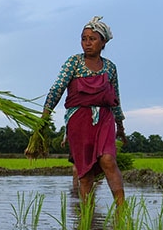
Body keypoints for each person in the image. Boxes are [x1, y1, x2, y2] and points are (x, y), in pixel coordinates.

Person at [42, 16, 126, 205]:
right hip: (79, 119)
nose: (87, 43)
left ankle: (122, 212)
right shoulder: (73, 63)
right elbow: (57, 89)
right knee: (85, 173)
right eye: (84, 39)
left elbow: (115, 98)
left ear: (103, 42)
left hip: (104, 118)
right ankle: (86, 218)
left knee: (108, 161)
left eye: (92, 39)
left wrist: (120, 126)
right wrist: (44, 117)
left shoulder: (110, 68)